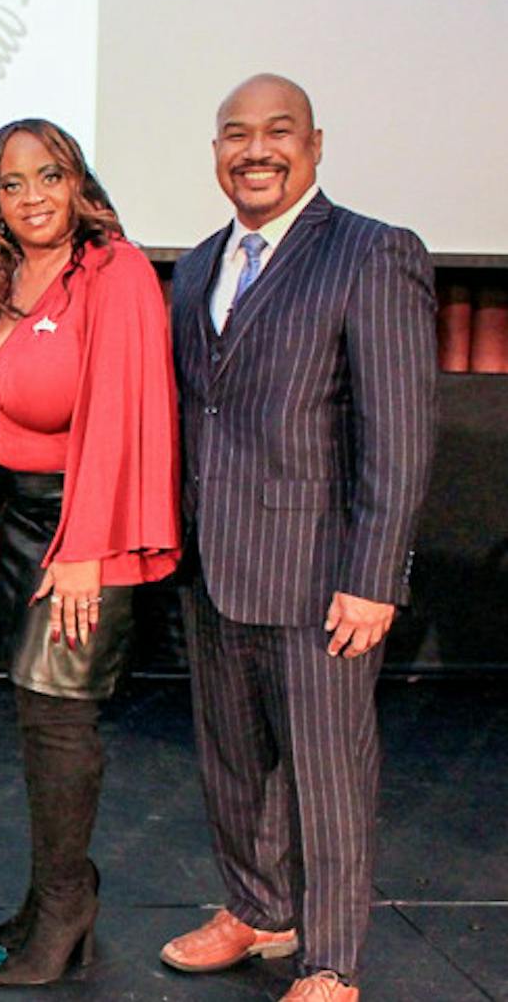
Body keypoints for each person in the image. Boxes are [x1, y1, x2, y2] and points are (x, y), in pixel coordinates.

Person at [162, 75, 436, 1002]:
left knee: (327, 777)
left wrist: (374, 577)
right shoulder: (199, 264)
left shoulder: (371, 251)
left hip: (322, 573)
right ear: (214, 154)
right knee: (234, 764)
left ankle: (330, 959)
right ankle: (257, 909)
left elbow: (399, 435)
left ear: (315, 143)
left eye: (277, 132)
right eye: (235, 134)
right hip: (215, 568)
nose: (255, 150)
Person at [0, 119, 181, 986]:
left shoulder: (113, 270)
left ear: (77, 180)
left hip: (87, 520)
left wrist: (85, 544)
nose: (32, 196)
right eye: (13, 184)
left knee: (61, 716)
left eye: (49, 175)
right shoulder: (4, 274)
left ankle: (66, 904)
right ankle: (53, 892)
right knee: (32, 710)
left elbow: (121, 411)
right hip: (17, 522)